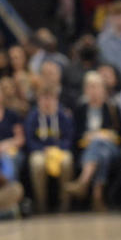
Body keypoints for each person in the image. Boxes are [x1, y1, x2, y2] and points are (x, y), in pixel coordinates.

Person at [65, 72, 121, 211]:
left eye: (96, 87)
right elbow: (75, 136)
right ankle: (97, 195)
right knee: (100, 152)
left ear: (103, 89)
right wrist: (88, 137)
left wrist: (107, 135)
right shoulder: (80, 110)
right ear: (85, 90)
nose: (93, 91)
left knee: (99, 143)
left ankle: (83, 181)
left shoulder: (112, 108)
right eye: (90, 87)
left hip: (112, 149)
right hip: (89, 150)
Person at [25, 85, 74, 213]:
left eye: (50, 98)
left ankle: (65, 202)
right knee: (37, 163)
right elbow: (29, 141)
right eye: (43, 98)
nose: (47, 102)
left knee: (67, 161)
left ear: (56, 99)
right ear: (38, 100)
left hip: (59, 150)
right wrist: (43, 149)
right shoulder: (33, 117)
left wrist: (57, 149)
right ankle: (41, 202)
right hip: (40, 151)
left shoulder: (63, 115)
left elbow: (69, 138)